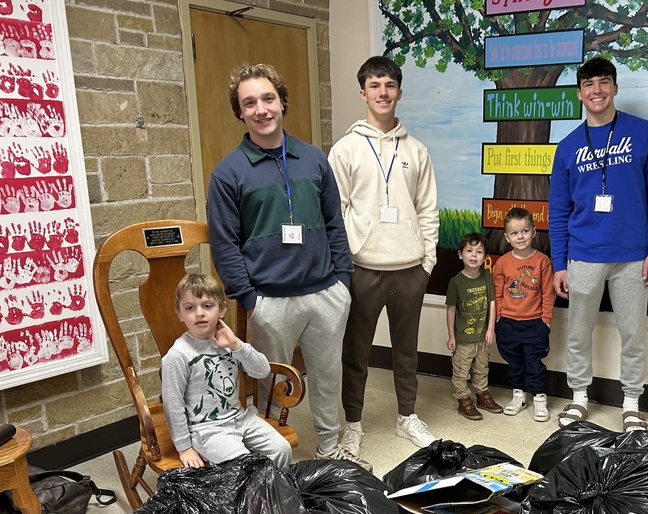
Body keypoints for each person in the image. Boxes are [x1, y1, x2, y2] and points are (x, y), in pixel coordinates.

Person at [206, 63, 368, 469]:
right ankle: (270, 459)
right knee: (271, 383)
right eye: (249, 102)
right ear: (239, 112)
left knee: (327, 379)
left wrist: (343, 282)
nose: (261, 109)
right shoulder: (228, 173)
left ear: (282, 102)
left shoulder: (314, 159)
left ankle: (331, 452)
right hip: (270, 302)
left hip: (325, 293)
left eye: (268, 98)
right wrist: (249, 299)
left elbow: (335, 223)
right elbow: (225, 244)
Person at [327, 55, 440, 463]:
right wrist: (344, 267)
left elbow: (428, 209)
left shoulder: (417, 150)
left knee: (405, 351)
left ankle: (407, 417)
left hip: (409, 269)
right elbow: (334, 214)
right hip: (363, 269)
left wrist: (426, 263)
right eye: (375, 86)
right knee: (355, 352)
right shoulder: (345, 150)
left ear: (399, 92)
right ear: (363, 93)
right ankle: (353, 423)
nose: (383, 92)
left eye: (389, 85)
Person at [548, 56, 648, 433]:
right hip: (583, 254)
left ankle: (632, 403)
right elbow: (557, 209)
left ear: (615, 87)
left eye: (603, 82)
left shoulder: (645, 133)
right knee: (578, 333)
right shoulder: (568, 146)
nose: (596, 91)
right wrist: (560, 263)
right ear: (579, 93)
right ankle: (579, 397)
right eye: (588, 85)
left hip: (633, 256)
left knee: (633, 332)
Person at [161, 273, 292, 469]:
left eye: (207, 306)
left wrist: (236, 345)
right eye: (190, 308)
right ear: (180, 314)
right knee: (244, 465)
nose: (199, 313)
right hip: (207, 430)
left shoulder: (229, 342)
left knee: (282, 449)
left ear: (221, 309)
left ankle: (274, 493)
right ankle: (253, 496)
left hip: (242, 418)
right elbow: (173, 403)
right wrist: (184, 447)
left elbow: (262, 371)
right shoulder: (178, 355)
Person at [493, 208, 555, 422]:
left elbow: (548, 293)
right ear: (507, 237)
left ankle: (539, 399)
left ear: (534, 232)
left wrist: (545, 321)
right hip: (508, 324)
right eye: (515, 233)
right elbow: (498, 294)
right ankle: (518, 395)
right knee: (515, 364)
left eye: (525, 231)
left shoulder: (543, 262)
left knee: (534, 364)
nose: (520, 237)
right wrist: (499, 320)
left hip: (534, 324)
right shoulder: (502, 263)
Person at [445, 232, 502, 420]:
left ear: (485, 258)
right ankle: (463, 399)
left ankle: (482, 394)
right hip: (463, 338)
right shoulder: (456, 282)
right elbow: (451, 310)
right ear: (460, 254)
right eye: (469, 251)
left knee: (481, 368)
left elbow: (492, 303)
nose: (473, 255)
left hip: (482, 337)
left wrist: (490, 329)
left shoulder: (486, 277)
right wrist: (451, 336)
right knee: (461, 370)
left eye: (479, 252)